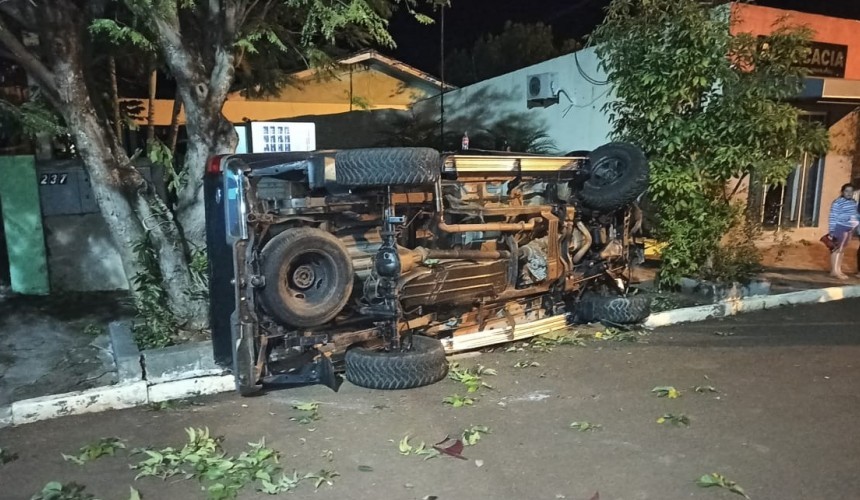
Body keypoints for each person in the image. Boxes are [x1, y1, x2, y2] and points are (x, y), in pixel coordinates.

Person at [827, 183, 858, 279]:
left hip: (849, 229)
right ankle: (834, 271)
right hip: (840, 227)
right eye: (846, 191)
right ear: (842, 192)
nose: (849, 193)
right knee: (836, 249)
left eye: (851, 191)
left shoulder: (853, 202)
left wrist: (855, 223)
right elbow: (833, 216)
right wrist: (832, 230)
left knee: (842, 250)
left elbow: (854, 215)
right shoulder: (838, 202)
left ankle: (838, 269)